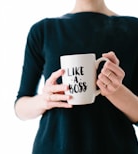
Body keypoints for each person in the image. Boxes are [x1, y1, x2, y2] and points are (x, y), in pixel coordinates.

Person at [14, 0, 138, 153]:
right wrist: (44, 100)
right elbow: (20, 107)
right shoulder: (43, 31)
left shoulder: (134, 29)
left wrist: (115, 91)